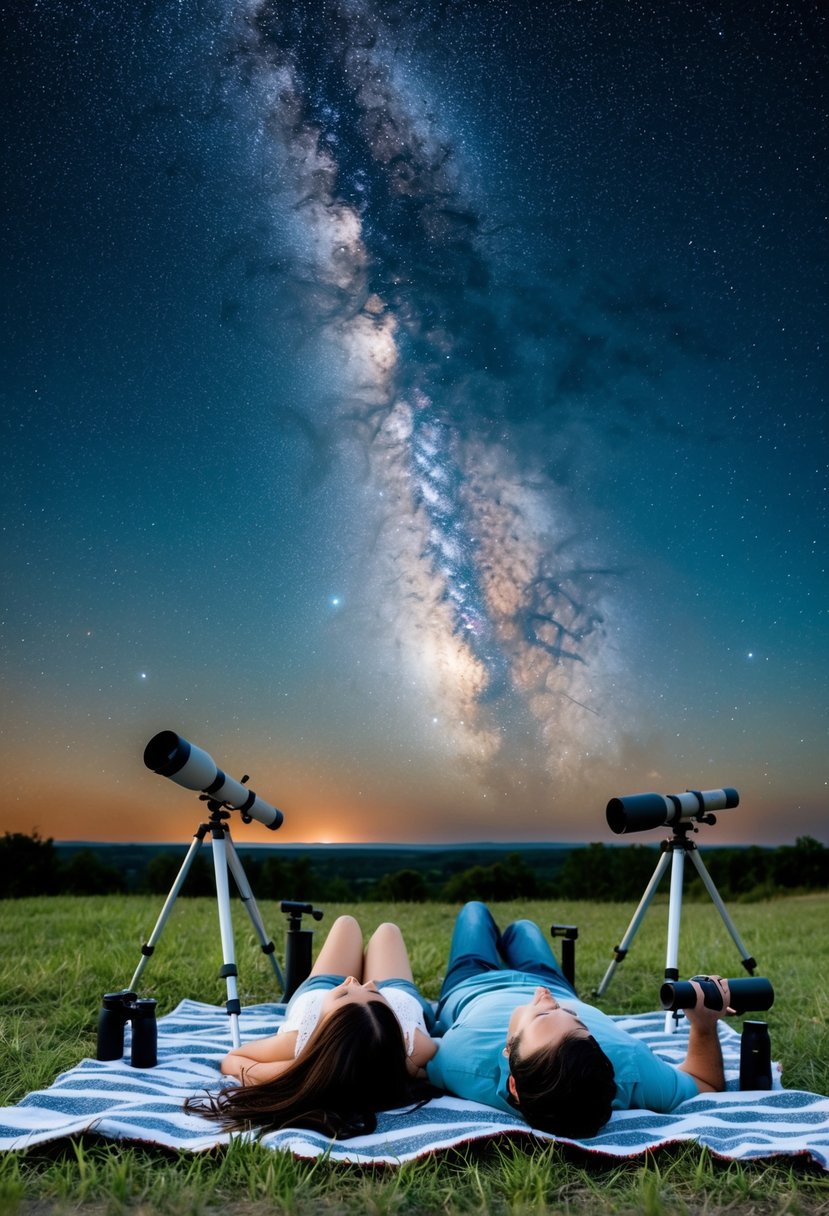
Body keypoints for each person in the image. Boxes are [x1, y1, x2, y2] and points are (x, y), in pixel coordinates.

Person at [426, 901, 734, 1139]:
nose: (546, 999)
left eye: (543, 1016)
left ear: (513, 1084)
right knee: (525, 928)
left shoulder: (459, 1061)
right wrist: (704, 1025)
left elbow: (414, 1054)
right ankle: (517, 932)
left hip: (473, 983)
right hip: (554, 980)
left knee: (474, 912)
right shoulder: (629, 1066)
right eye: (575, 1020)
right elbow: (704, 1081)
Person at [186, 915, 437, 1138]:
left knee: (346, 924)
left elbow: (234, 1059)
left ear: (324, 1027)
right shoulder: (414, 1050)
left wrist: (299, 1069)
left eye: (343, 995)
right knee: (387, 930)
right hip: (399, 995)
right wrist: (411, 1068)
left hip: (320, 989)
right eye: (372, 990)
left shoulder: (297, 1042)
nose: (361, 981)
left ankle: (358, 1000)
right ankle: (363, 1000)